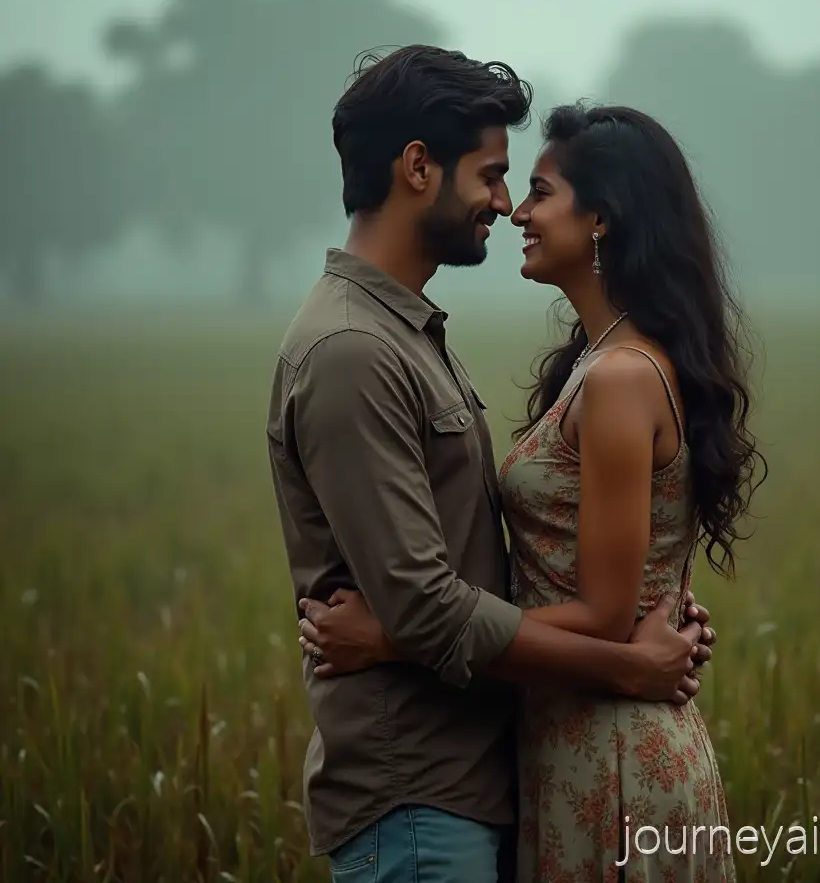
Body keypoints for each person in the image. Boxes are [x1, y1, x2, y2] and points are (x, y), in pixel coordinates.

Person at [268, 44, 718, 883]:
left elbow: (563, 596)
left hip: (499, 783)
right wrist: (633, 660)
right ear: (416, 168)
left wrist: (648, 628)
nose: (506, 204)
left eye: (531, 187)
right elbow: (431, 608)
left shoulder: (410, 339)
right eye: (493, 175)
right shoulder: (354, 352)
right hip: (419, 801)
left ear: (604, 219)